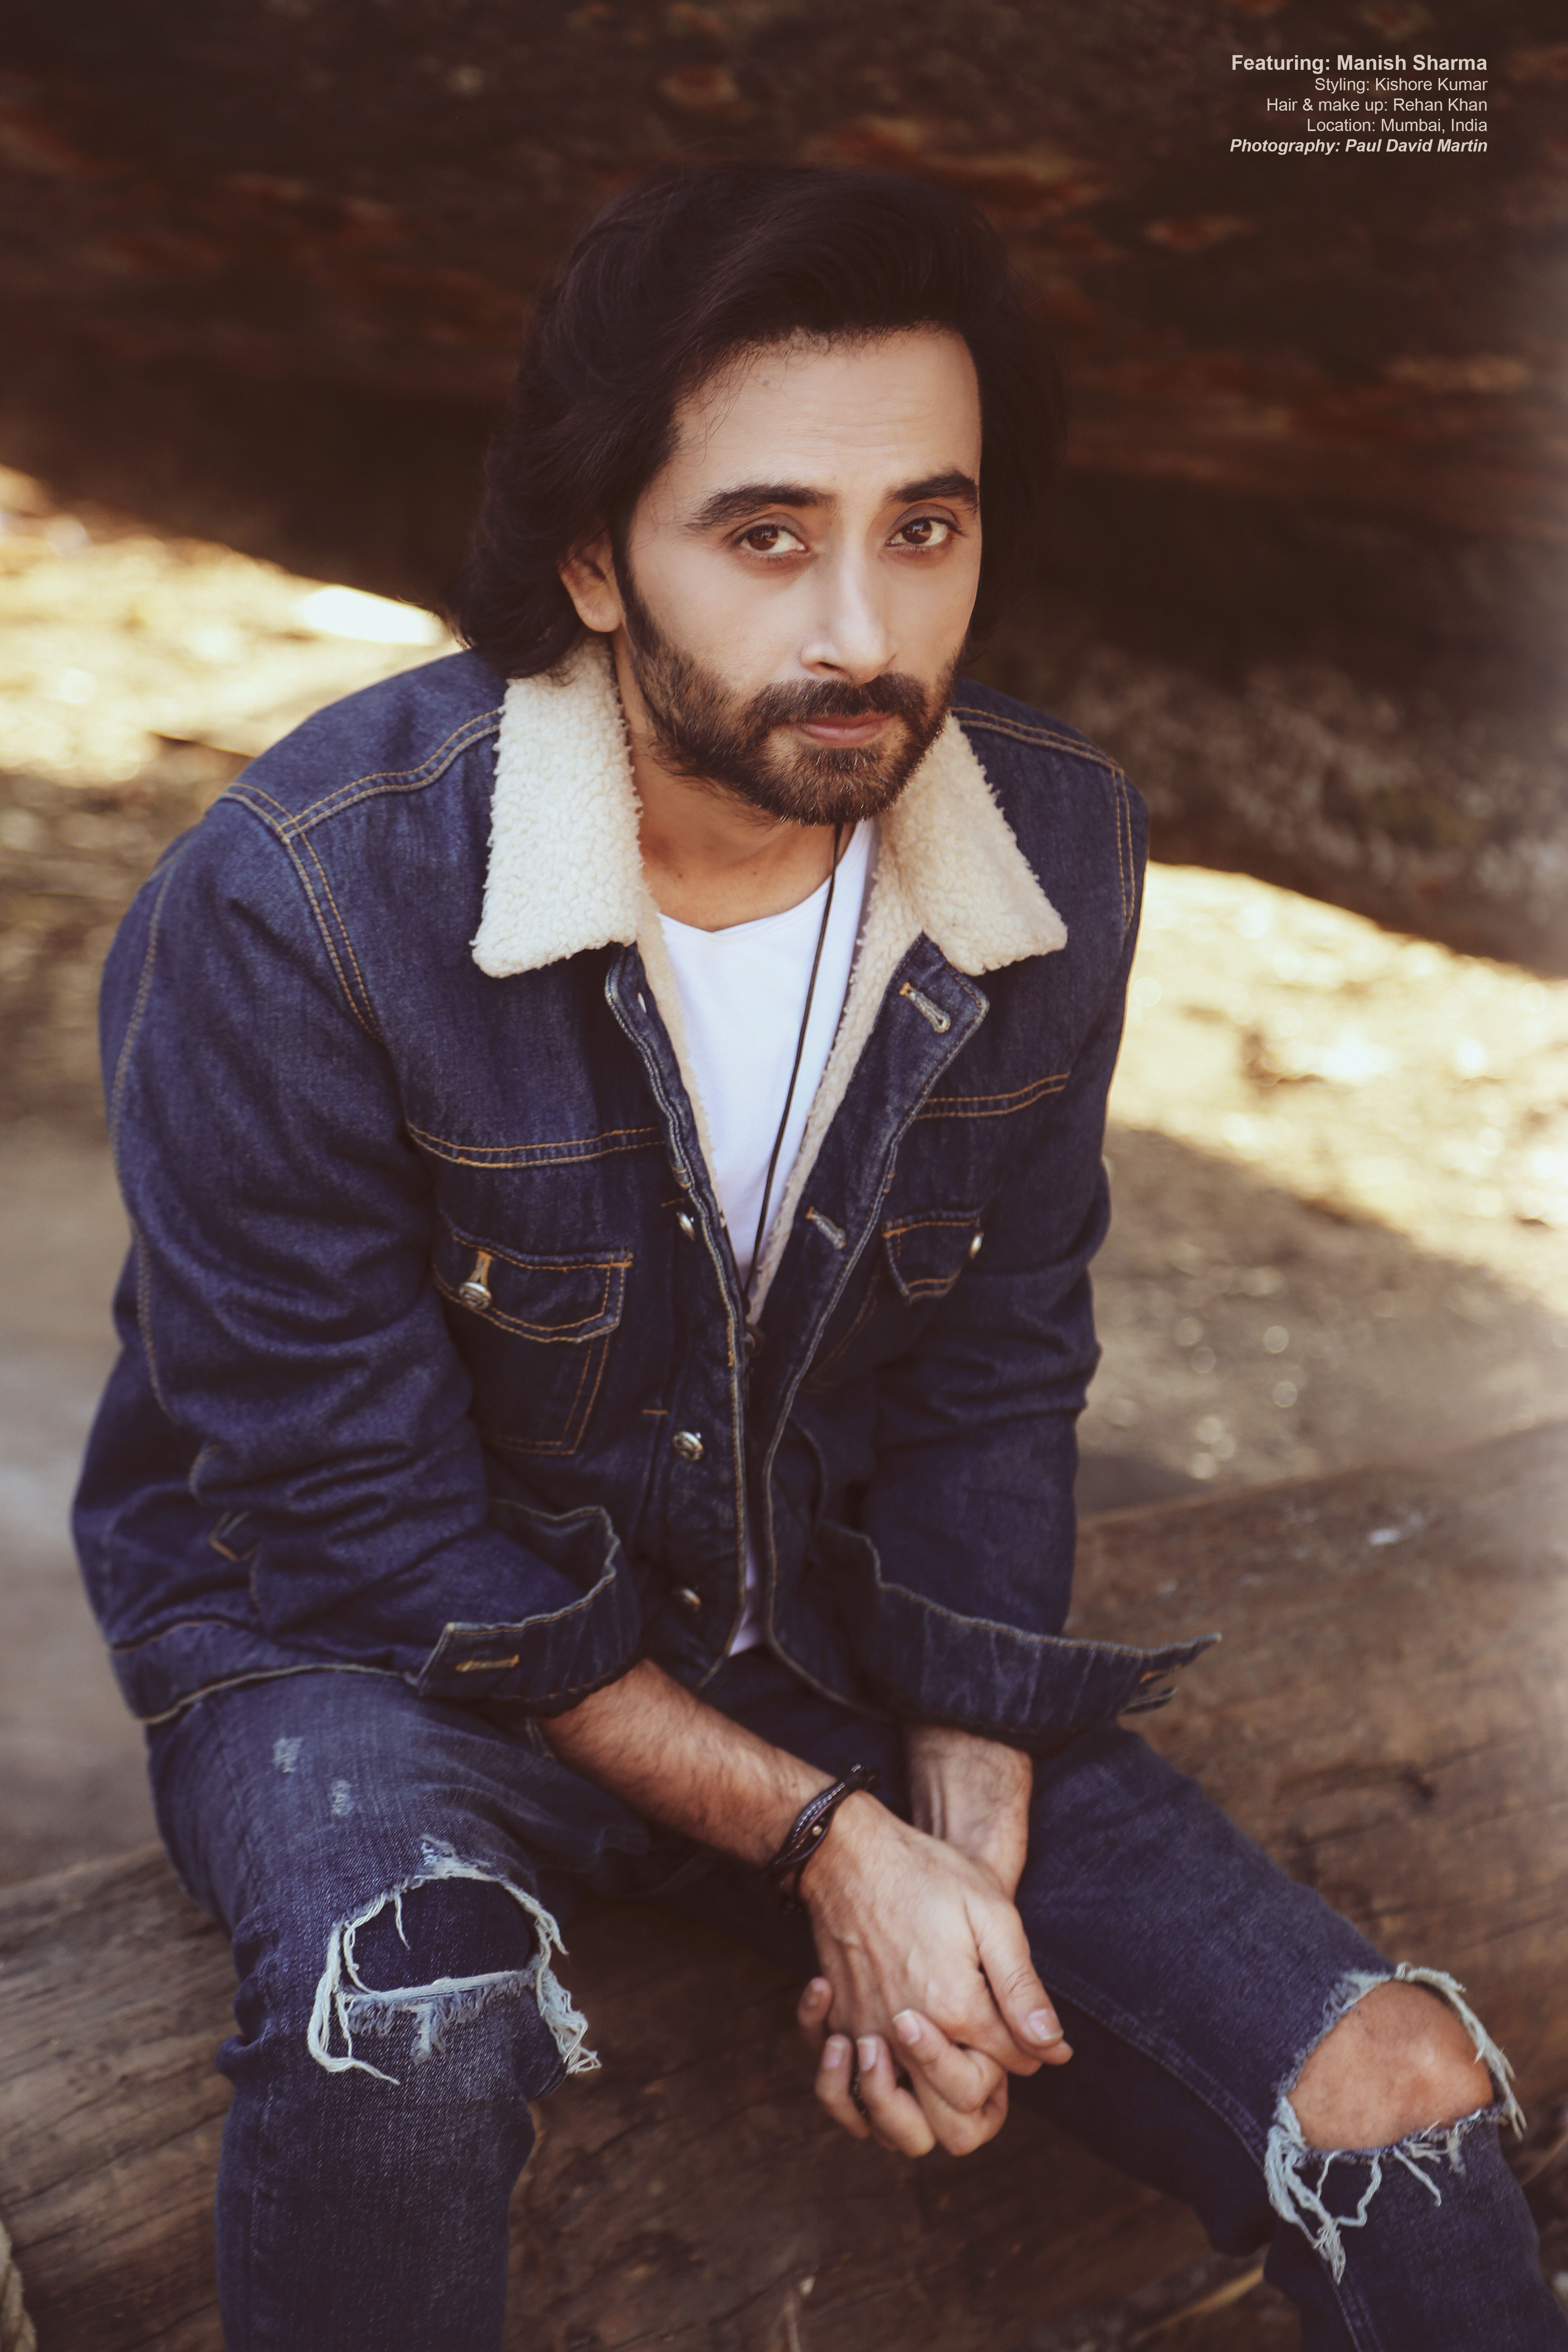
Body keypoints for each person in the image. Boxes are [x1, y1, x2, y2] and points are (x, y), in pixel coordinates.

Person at [76, 162, 1562, 2351]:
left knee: (1402, 2097)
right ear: (595, 556)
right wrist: (830, 1848)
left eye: (925, 529)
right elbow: (347, 1517)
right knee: (414, 2017)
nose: (865, 628)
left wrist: (962, 1821)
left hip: (806, 1608)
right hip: (364, 1649)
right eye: (768, 536)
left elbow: (998, 1356)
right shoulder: (302, 899)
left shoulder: (1050, 843)